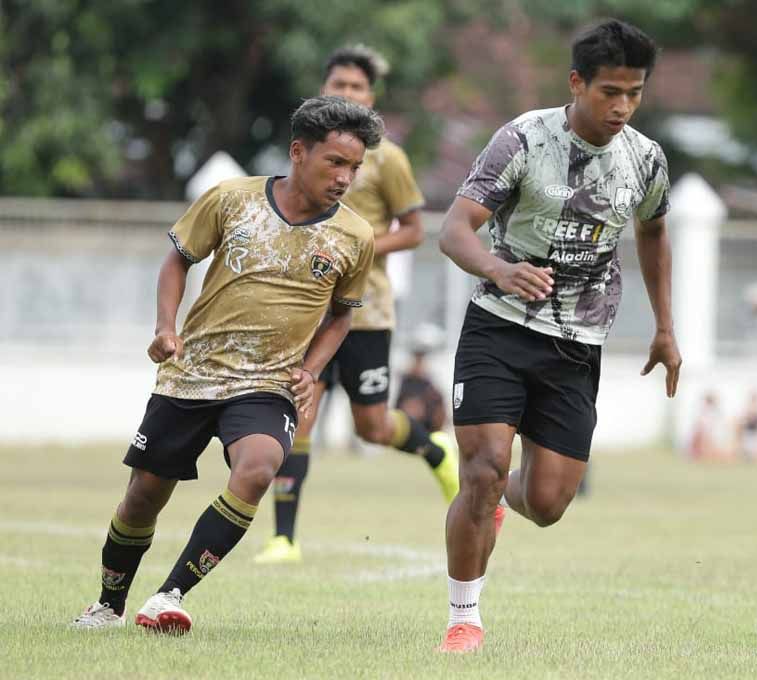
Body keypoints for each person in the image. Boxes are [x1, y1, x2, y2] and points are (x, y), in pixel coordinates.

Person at [71, 96, 383, 633]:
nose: (344, 178)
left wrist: (311, 370)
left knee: (259, 466)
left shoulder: (355, 235)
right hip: (191, 375)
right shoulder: (232, 199)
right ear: (298, 151)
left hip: (268, 382)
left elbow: (341, 316)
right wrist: (165, 328)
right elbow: (177, 259)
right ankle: (107, 605)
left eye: (354, 168)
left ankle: (169, 595)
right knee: (143, 496)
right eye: (335, 162)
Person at [436, 19, 679, 652]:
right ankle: (464, 617)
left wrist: (665, 328)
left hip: (578, 343)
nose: (622, 106)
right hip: (498, 326)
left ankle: (495, 501)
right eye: (609, 92)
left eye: (634, 92)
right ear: (576, 83)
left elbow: (654, 232)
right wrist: (500, 269)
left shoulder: (646, 158)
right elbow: (456, 228)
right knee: (484, 467)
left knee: (545, 503)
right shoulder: (521, 139)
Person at [255, 46, 459, 566]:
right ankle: (284, 538)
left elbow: (414, 230)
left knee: (372, 427)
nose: (346, 94)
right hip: (310, 311)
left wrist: (359, 246)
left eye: (356, 88)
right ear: (323, 89)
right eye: (338, 84)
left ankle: (436, 450)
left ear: (372, 98)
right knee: (299, 413)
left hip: (366, 313)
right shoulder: (306, 150)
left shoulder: (388, 159)